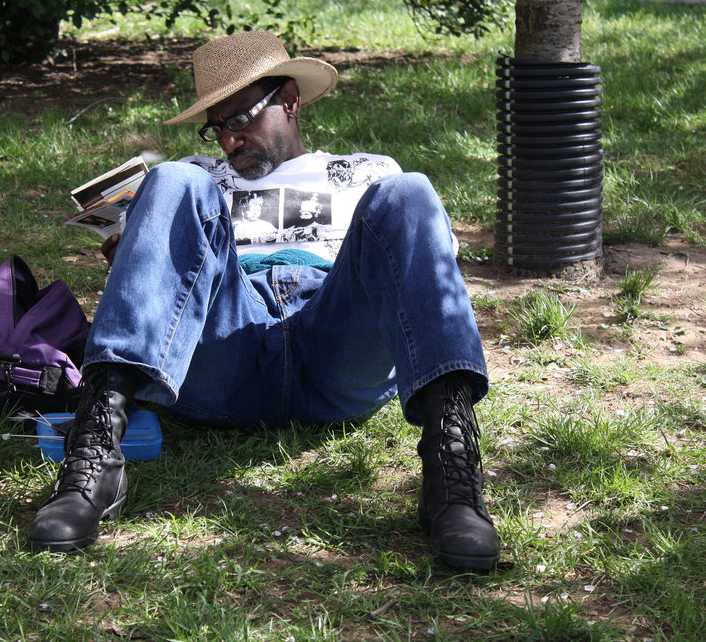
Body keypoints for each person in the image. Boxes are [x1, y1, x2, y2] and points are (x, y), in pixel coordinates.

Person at [28, 31, 500, 570]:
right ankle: (93, 461)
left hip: (336, 343)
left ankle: (453, 474)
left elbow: (422, 274)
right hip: (229, 345)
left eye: (240, 121)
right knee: (172, 178)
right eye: (217, 127)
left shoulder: (368, 173)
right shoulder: (198, 178)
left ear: (291, 102)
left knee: (409, 190)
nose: (229, 142)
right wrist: (136, 250)